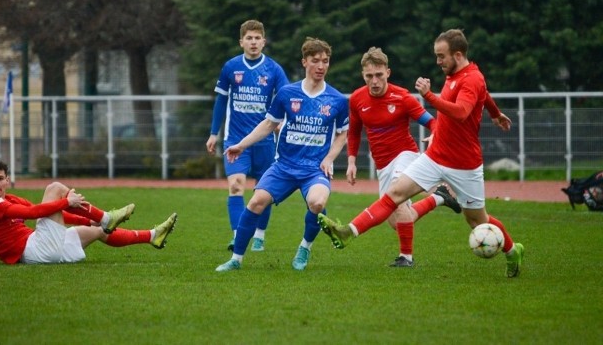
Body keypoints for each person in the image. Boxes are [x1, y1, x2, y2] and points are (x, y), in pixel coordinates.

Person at [319, 29, 524, 278]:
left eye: (441, 56)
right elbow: (485, 96)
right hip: (435, 156)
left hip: (464, 164)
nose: (438, 62)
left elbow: (460, 112)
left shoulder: (471, 79)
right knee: (395, 196)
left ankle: (513, 251)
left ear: (457, 55)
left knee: (476, 220)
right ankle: (348, 232)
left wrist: (429, 96)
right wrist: (494, 112)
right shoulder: (454, 74)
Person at [215, 37, 349, 272]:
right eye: (315, 61)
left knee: (317, 203)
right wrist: (241, 145)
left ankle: (305, 247)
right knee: (256, 202)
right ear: (304, 62)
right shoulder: (288, 93)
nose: (321, 66)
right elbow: (268, 125)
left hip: (314, 169)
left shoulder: (337, 99)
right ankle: (236, 259)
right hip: (284, 166)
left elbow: (341, 135)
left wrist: (329, 159)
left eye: (325, 61)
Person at [347, 47, 462, 268]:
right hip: (382, 164)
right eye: (369, 76)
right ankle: (439, 198)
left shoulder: (402, 97)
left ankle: (406, 258)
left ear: (388, 73)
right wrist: (351, 160)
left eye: (379, 75)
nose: (374, 81)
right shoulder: (356, 99)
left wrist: (435, 135)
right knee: (396, 220)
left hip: (405, 155)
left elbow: (433, 122)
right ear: (363, 76)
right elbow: (354, 131)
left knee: (397, 202)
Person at [0, 159, 178, 264]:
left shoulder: (9, 198)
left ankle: (152, 236)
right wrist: (66, 201)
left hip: (40, 247)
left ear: (7, 179)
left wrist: (84, 221)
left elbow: (46, 213)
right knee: (55, 187)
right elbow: (35, 213)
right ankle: (106, 217)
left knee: (98, 231)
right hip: (34, 250)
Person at [206, 20, 289, 252]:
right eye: (249, 38)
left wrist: (280, 123)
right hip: (235, 140)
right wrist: (214, 133)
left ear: (264, 41)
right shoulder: (231, 67)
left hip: (264, 142)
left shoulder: (273, 69)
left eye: (257, 38)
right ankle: (237, 235)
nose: (253, 42)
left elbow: (287, 99)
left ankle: (260, 235)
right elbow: (221, 101)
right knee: (236, 185)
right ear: (241, 41)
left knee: (264, 190)